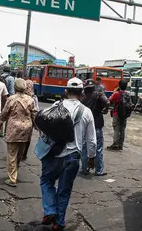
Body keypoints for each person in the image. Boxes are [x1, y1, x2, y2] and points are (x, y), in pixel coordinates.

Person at [40, 78, 97, 230]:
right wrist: (91, 158)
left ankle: (50, 210)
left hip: (53, 154)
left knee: (46, 181)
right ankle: (58, 223)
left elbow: (45, 127)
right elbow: (91, 140)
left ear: (66, 91)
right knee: (64, 191)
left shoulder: (55, 106)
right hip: (72, 157)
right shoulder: (87, 112)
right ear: (82, 93)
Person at [0, 78, 36, 187]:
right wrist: (38, 128)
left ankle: (12, 178)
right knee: (19, 154)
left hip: (14, 128)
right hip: (26, 129)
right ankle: (15, 171)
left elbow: (3, 115)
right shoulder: (30, 100)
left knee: (12, 153)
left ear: (15, 87)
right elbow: (34, 115)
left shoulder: (11, 99)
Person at [80, 79, 110, 176]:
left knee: (84, 148)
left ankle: (84, 169)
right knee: (98, 148)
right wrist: (105, 110)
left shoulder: (82, 98)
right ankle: (99, 170)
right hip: (97, 125)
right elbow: (107, 102)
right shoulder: (98, 94)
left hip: (85, 126)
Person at [107, 79, 133, 150]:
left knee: (116, 128)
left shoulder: (116, 93)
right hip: (124, 114)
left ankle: (115, 144)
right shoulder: (128, 94)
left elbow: (110, 100)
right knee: (122, 129)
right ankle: (121, 144)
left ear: (119, 85)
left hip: (117, 113)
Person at [22, 79, 39, 161]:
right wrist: (36, 124)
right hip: (29, 122)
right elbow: (36, 111)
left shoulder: (20, 96)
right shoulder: (34, 98)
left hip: (20, 120)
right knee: (28, 138)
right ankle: (24, 154)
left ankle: (19, 152)